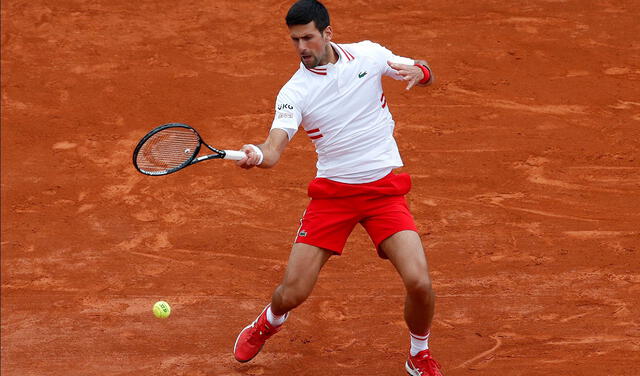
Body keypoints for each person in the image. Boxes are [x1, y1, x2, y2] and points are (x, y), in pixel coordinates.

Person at [232, 1, 442, 375]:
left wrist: (420, 71)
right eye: (295, 40)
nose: (301, 47)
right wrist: (257, 154)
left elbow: (423, 72)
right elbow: (274, 148)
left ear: (328, 32)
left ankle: (418, 354)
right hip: (334, 197)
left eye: (308, 37)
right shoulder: (294, 92)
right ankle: (269, 321)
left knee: (420, 282)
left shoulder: (369, 55)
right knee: (292, 293)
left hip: (383, 192)